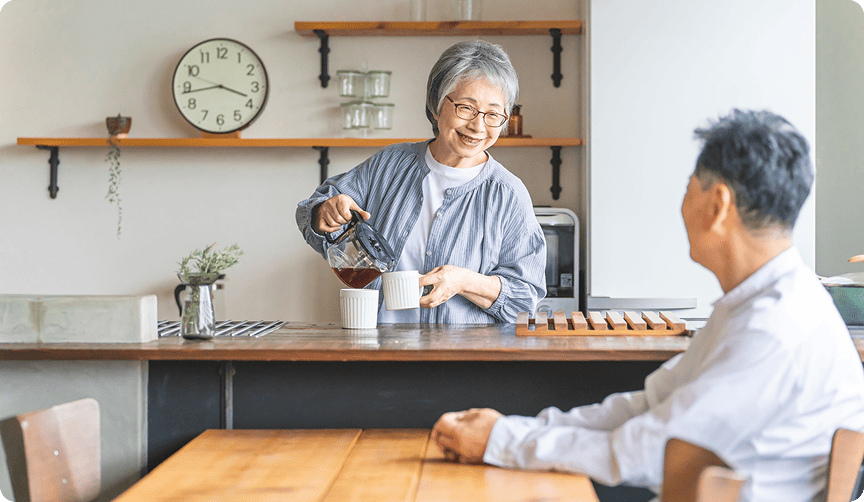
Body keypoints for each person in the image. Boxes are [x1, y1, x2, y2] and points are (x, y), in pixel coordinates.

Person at [431, 110, 864, 501]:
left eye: (687, 189)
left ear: (717, 205)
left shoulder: (775, 325)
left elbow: (650, 449)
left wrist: (500, 442)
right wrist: (515, 429)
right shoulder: (760, 305)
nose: (682, 205)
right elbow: (647, 405)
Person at [296, 41, 546, 323]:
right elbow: (310, 214)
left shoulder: (508, 194)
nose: (478, 126)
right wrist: (325, 213)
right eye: (466, 108)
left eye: (493, 114)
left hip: (464, 362)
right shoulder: (390, 164)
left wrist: (463, 281)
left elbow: (525, 299)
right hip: (381, 354)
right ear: (436, 104)